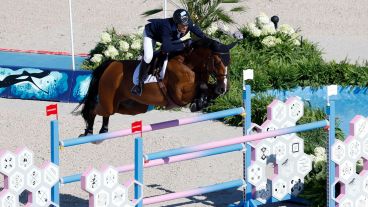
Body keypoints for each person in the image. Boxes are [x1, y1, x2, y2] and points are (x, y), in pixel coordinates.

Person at [131, 9, 207, 96]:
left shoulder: (187, 22)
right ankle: (138, 84)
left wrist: (211, 42)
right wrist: (184, 45)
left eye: (186, 24)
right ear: (176, 23)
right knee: (148, 57)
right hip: (151, 34)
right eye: (182, 25)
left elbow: (202, 35)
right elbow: (166, 48)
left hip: (169, 37)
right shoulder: (166, 27)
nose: (185, 27)